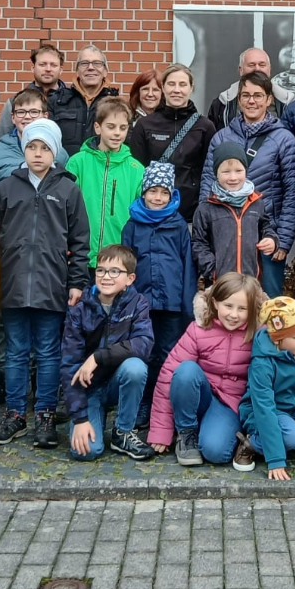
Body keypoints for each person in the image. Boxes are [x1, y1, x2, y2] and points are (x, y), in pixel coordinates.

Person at [0, 119, 90, 449]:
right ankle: (15, 413)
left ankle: (45, 413)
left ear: (55, 152)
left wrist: (76, 282)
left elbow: (80, 240)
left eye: (45, 148)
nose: (38, 154)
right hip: (13, 284)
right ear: (24, 150)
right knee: (16, 352)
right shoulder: (6, 188)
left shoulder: (68, 189)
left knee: (48, 352)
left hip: (52, 285)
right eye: (32, 147)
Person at [199, 72, 295, 296]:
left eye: (258, 95)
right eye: (246, 95)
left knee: (267, 302)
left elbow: (292, 193)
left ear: (269, 99)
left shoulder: (284, 139)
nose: (251, 101)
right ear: (239, 99)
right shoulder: (221, 138)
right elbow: (208, 184)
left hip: (267, 238)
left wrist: (283, 240)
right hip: (226, 236)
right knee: (226, 301)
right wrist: (208, 234)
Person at [147, 272, 263, 465]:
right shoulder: (198, 329)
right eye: (228, 306)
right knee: (186, 371)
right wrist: (161, 431)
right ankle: (186, 432)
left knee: (215, 452)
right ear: (215, 303)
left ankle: (215, 430)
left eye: (242, 309)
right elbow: (168, 376)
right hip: (200, 395)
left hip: (230, 404)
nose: (234, 315)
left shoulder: (259, 334)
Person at [60, 245, 156, 461]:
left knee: (136, 368)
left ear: (130, 279)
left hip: (117, 383)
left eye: (115, 271)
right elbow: (69, 365)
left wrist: (97, 357)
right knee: (87, 452)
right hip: (89, 388)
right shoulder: (80, 309)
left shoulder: (138, 304)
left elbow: (144, 343)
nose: (106, 276)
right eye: (101, 270)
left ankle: (123, 432)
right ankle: (92, 416)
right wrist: (80, 418)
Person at [121, 161, 195, 426]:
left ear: (171, 195)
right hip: (142, 303)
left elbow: (188, 266)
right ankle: (143, 403)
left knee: (168, 353)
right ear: (144, 193)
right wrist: (127, 300)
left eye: (164, 192)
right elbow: (126, 266)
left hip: (172, 303)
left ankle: (164, 406)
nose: (158, 197)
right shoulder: (132, 225)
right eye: (153, 191)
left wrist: (187, 304)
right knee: (143, 353)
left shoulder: (178, 226)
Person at [234, 296, 295, 477]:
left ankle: (287, 442)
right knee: (293, 437)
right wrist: (275, 460)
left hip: (294, 410)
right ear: (277, 339)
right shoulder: (262, 363)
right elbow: (264, 408)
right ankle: (252, 443)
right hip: (265, 413)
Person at [128, 63, 216, 222]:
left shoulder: (205, 127)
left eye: (182, 84)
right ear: (163, 87)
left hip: (190, 214)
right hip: (152, 213)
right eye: (171, 84)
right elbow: (137, 170)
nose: (177, 90)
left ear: (191, 88)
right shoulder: (145, 125)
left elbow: (208, 172)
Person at [65, 97, 145, 266]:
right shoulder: (77, 162)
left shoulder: (136, 169)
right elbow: (66, 207)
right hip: (82, 256)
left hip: (119, 257)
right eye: (111, 126)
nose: (117, 133)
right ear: (97, 127)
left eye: (123, 128)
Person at [192, 143, 281, 284]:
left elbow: (266, 227)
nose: (233, 177)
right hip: (220, 283)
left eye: (238, 171)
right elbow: (198, 243)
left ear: (246, 171)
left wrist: (271, 239)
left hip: (251, 282)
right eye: (226, 172)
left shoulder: (256, 203)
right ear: (216, 174)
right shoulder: (206, 208)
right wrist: (213, 271)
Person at [0, 87, 67, 206]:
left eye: (34, 112)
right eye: (21, 112)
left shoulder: (60, 154)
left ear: (45, 116)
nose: (27, 117)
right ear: (12, 118)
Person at [51, 45, 121, 157]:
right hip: (64, 167)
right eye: (84, 63)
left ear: (105, 71)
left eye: (97, 63)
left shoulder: (116, 104)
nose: (91, 67)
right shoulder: (57, 101)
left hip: (102, 167)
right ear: (77, 71)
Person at [207, 47, 294, 129]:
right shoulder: (222, 104)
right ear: (241, 70)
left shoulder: (288, 102)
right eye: (251, 65)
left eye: (262, 65)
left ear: (270, 69)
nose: (257, 69)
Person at [0, 43, 66, 134]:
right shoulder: (14, 102)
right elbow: (4, 138)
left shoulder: (74, 101)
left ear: (61, 70)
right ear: (33, 68)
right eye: (42, 64)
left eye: (53, 65)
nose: (48, 69)